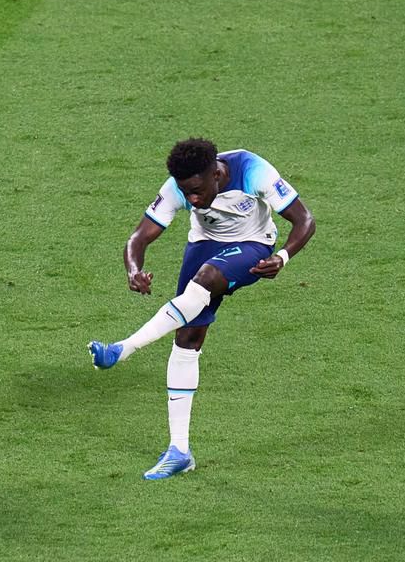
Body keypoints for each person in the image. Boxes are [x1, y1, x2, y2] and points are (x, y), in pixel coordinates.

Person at [88, 137, 315, 479]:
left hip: (253, 245)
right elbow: (138, 238)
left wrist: (282, 257)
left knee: (205, 280)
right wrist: (134, 271)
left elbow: (304, 220)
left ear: (217, 174)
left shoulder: (252, 171)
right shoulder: (179, 186)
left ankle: (123, 349)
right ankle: (179, 451)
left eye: (197, 190)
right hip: (205, 244)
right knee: (188, 337)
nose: (192, 199)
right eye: (185, 192)